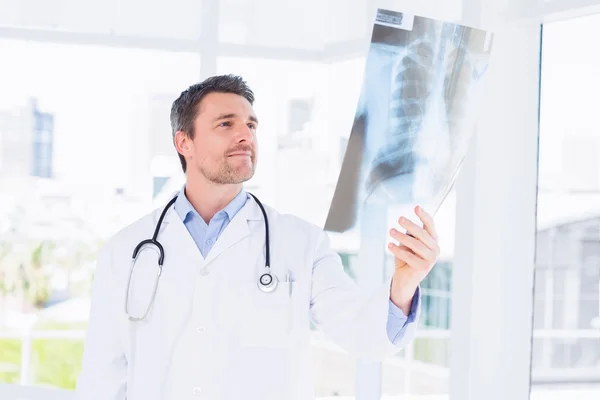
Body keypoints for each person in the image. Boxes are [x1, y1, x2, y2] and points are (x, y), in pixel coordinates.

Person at [75, 74, 440, 400]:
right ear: (184, 142)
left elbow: (362, 334)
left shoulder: (302, 243)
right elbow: (102, 376)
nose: (245, 135)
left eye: (251, 124)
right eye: (225, 124)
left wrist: (403, 284)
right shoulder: (126, 251)